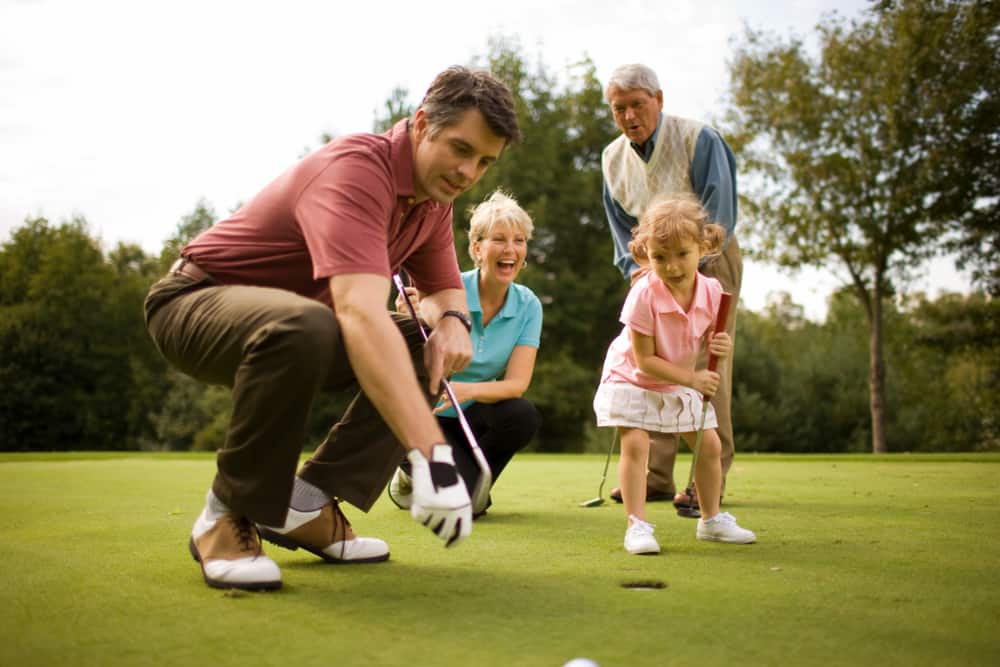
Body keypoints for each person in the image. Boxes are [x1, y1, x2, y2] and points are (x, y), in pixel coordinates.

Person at [143, 66, 521, 591]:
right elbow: (361, 315)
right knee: (311, 324)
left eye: (484, 161)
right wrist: (432, 455)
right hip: (192, 303)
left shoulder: (434, 201)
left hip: (295, 332)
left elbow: (442, 286)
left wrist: (454, 321)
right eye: (460, 148)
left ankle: (305, 504)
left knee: (418, 341)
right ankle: (225, 515)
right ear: (420, 125)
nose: (467, 171)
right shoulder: (357, 169)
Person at [601, 63, 742, 511]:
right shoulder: (611, 158)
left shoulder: (699, 138)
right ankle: (657, 477)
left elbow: (719, 214)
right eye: (618, 108)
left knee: (707, 361)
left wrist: (696, 267)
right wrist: (637, 270)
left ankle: (708, 479)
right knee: (653, 364)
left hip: (709, 259)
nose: (628, 116)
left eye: (637, 105)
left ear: (658, 100)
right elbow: (621, 226)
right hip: (653, 269)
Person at [593, 196, 755, 554]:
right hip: (632, 376)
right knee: (636, 444)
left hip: (677, 376)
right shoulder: (643, 295)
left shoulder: (712, 291)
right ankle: (637, 525)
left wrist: (719, 345)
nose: (672, 266)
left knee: (709, 445)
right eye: (659, 257)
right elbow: (644, 361)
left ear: (703, 247)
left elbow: (708, 335)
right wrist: (694, 380)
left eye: (683, 253)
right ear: (645, 255)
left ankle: (711, 520)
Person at [387, 190, 542, 517]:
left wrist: (465, 391)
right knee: (463, 502)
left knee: (522, 414)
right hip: (425, 417)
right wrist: (406, 317)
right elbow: (403, 357)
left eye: (519, 240)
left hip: (472, 418)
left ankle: (466, 489)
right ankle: (411, 474)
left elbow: (516, 385)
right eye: (499, 239)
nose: (510, 249)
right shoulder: (447, 288)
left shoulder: (528, 305)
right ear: (476, 248)